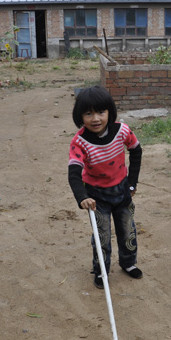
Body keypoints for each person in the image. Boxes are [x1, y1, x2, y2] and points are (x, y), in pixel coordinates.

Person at [68, 86, 143, 289]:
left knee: (128, 230)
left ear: (109, 112)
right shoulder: (80, 142)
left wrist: (132, 182)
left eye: (101, 112)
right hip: (96, 197)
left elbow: (136, 151)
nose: (95, 119)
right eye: (88, 113)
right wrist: (81, 197)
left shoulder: (122, 131)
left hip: (122, 191)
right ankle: (101, 271)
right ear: (80, 116)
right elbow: (74, 172)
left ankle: (128, 263)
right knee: (102, 237)